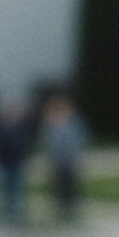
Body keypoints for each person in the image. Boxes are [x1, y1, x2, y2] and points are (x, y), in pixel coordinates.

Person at [0, 97, 35, 225]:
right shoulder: (1, 129)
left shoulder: (22, 130)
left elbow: (26, 147)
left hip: (17, 163)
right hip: (5, 163)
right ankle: (4, 214)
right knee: (4, 190)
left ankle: (18, 215)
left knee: (17, 190)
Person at [43, 92, 88, 223]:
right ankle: (61, 210)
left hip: (70, 160)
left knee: (72, 186)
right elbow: (48, 143)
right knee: (59, 186)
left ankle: (72, 210)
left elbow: (80, 139)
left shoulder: (74, 123)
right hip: (57, 161)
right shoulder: (52, 123)